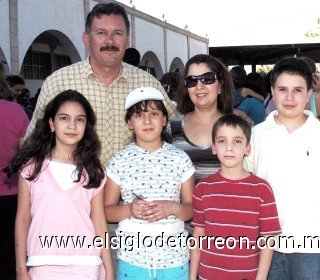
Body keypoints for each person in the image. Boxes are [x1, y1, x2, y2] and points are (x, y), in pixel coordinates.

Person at [245, 57, 320, 279]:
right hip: (264, 246)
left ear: (309, 94)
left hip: (313, 247)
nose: (289, 97)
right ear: (272, 91)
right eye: (282, 89)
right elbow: (245, 188)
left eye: (298, 90)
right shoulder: (255, 136)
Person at [28, 2, 176, 165]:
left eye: (118, 33)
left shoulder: (149, 85)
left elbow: (174, 131)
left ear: (127, 40)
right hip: (75, 187)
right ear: (87, 39)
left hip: (132, 188)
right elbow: (34, 141)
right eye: (101, 33)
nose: (110, 41)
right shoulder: (58, 82)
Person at [6, 90, 114, 280]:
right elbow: (22, 219)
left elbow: (99, 222)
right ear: (51, 123)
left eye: (79, 119)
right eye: (64, 118)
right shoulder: (31, 168)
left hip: (87, 265)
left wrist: (109, 269)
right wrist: (20, 268)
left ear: (86, 125)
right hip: (42, 264)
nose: (72, 125)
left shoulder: (94, 171)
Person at [104, 87, 195, 280]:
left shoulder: (180, 159)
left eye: (154, 114)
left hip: (174, 261)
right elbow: (107, 211)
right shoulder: (119, 160)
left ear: (164, 120)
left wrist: (171, 207)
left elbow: (191, 209)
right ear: (129, 122)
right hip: (132, 261)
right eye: (139, 115)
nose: (147, 121)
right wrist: (129, 210)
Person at [190, 114, 281, 280]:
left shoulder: (262, 189)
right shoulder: (203, 188)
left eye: (237, 141)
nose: (229, 148)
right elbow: (198, 236)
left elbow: (268, 241)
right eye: (222, 141)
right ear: (214, 148)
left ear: (248, 148)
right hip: (207, 275)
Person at [171, 54, 234, 182]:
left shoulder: (238, 127)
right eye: (192, 80)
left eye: (207, 78)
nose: (199, 86)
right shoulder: (171, 128)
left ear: (220, 84)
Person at [0, 62, 29, 280]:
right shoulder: (16, 111)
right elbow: (25, 157)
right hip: (10, 197)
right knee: (9, 256)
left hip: (11, 195)